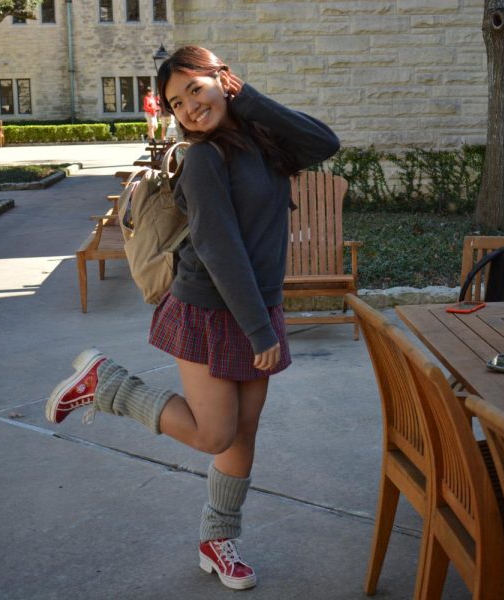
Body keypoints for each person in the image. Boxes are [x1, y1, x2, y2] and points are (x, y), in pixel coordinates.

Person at [45, 45, 339, 591]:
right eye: (177, 104)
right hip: (210, 307)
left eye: (196, 91)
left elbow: (324, 143)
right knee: (214, 434)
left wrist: (244, 96)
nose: (189, 109)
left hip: (257, 301)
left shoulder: (262, 142)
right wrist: (257, 327)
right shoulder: (203, 159)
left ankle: (217, 542)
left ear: (220, 81)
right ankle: (105, 384)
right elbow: (218, 245)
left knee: (242, 435)